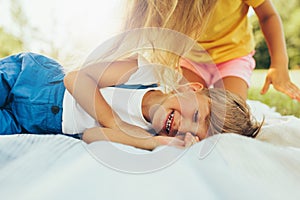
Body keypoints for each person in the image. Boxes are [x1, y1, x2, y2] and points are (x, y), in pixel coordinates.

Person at [0, 52, 262, 150]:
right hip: (32, 80)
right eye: (196, 117)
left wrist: (149, 141)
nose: (184, 128)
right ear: (193, 88)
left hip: (31, 124)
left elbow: (92, 136)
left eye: (194, 136)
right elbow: (76, 78)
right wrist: (113, 121)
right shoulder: (144, 72)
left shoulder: (146, 134)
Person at [123, 0, 300, 101]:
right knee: (186, 108)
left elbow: (268, 15)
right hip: (191, 58)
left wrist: (279, 64)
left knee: (227, 116)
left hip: (233, 55)